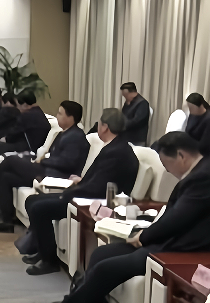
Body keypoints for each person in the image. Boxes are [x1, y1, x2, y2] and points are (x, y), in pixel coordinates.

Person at [25, 132, 210, 303]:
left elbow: (177, 219)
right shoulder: (201, 173)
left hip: (183, 251)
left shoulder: (205, 178)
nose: (167, 171)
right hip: (171, 241)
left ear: (181, 156)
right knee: (101, 254)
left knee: (106, 268)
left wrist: (144, 237)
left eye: (167, 164)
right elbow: (177, 217)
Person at [20, 108, 140, 275]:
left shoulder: (117, 152)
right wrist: (80, 182)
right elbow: (99, 178)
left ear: (105, 127)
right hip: (88, 193)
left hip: (94, 201)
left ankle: (49, 260)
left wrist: (70, 192)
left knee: (39, 208)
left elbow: (98, 188)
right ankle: (41, 250)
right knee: (32, 200)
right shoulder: (115, 146)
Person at [0, 101, 88, 230]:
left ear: (71, 118)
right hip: (47, 169)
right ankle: (6, 221)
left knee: (11, 161)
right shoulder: (66, 133)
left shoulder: (75, 137)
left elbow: (67, 163)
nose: (57, 116)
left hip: (54, 174)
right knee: (6, 177)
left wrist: (44, 161)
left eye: (60, 113)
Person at [184, 93, 210, 158]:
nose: (190, 110)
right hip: (189, 149)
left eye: (191, 108)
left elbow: (204, 145)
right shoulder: (193, 114)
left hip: (200, 154)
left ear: (200, 106)